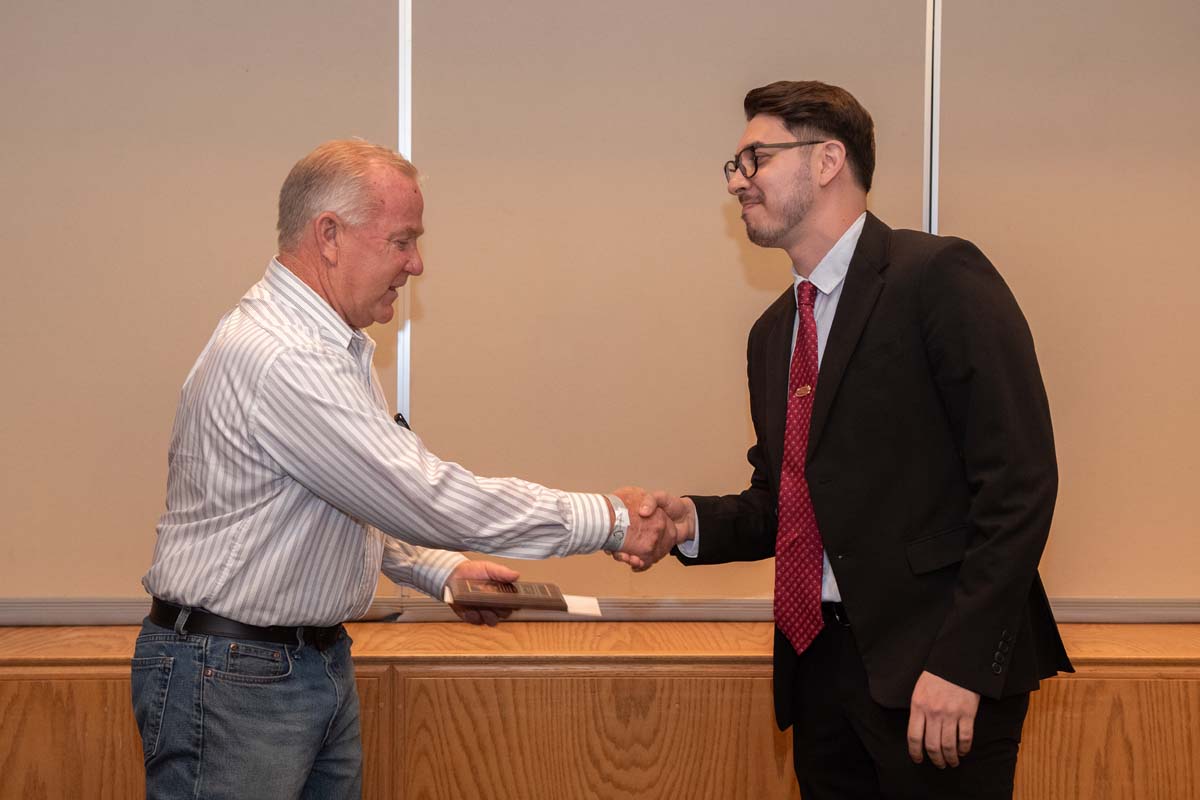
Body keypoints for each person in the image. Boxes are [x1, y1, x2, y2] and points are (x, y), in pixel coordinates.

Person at [132, 139, 677, 800]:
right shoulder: (284, 357)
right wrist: (612, 520)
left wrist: (441, 570)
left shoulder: (326, 347)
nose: (416, 263)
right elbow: (420, 496)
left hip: (298, 663)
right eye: (402, 241)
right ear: (328, 235)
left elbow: (342, 498)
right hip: (236, 677)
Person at [623, 81, 1073, 798]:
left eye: (755, 159)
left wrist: (961, 664)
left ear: (828, 159)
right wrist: (690, 522)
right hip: (820, 673)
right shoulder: (773, 334)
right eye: (734, 167)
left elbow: (1019, 483)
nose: (739, 182)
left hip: (937, 672)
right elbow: (788, 503)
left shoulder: (937, 278)